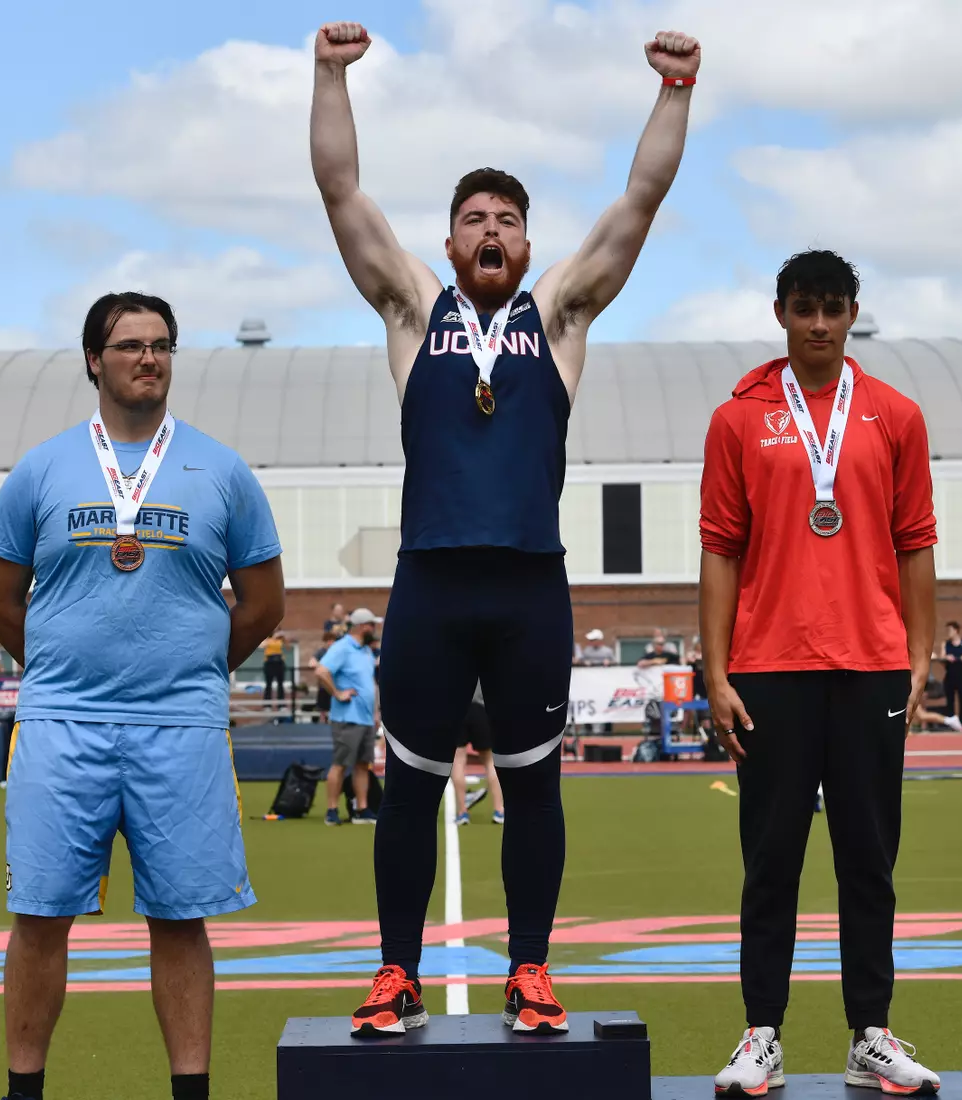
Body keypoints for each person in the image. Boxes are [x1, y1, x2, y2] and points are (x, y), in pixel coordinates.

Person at [311, 19, 698, 1038]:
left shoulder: (559, 316)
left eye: (508, 219)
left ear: (528, 243)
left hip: (530, 586)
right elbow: (343, 194)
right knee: (407, 792)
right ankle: (397, 968)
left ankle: (530, 967)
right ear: (447, 242)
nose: (491, 231)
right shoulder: (411, 310)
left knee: (535, 788)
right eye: (474, 218)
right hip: (431, 586)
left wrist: (676, 93)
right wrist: (330, 75)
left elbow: (640, 201)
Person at [0, 291, 286, 1100]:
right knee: (40, 919)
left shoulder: (222, 470)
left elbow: (263, 606)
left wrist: (187, 672)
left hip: (180, 730)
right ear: (93, 360)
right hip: (61, 726)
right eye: (129, 345)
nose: (148, 358)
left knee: (181, 920)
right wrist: (59, 670)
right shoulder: (40, 470)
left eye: (161, 345)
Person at [700, 249, 942, 1096]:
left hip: (873, 664)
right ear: (780, 313)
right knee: (771, 860)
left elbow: (917, 542)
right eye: (804, 308)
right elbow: (720, 551)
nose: (819, 324)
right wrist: (715, 668)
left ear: (853, 313)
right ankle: (760, 1034)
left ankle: (869, 1032)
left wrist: (921, 650)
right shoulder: (739, 418)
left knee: (869, 859)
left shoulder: (895, 415)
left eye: (833, 308)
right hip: (768, 667)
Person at [317, 609, 381, 826]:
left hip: (365, 718)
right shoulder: (343, 647)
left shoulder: (365, 651)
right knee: (341, 764)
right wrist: (337, 693)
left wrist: (375, 712)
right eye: (372, 625)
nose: (375, 629)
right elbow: (321, 671)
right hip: (347, 717)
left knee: (363, 764)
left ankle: (361, 809)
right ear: (363, 626)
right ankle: (331, 810)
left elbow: (370, 684)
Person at [452, 684, 505, 826]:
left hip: (458, 708)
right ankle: (499, 810)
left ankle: (462, 812)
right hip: (481, 708)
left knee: (458, 761)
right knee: (489, 761)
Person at [935, 622, 962, 726]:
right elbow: (941, 658)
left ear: (956, 631)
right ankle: (951, 724)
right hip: (950, 676)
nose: (948, 633)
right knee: (950, 701)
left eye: (950, 630)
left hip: (961, 676)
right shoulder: (946, 644)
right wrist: (946, 657)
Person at [261, 632, 287, 702]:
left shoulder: (280, 640)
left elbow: (288, 647)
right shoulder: (267, 640)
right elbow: (262, 645)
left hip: (279, 662)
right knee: (268, 684)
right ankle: (267, 705)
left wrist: (284, 638)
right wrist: (273, 638)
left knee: (280, 684)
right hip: (269, 662)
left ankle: (281, 704)